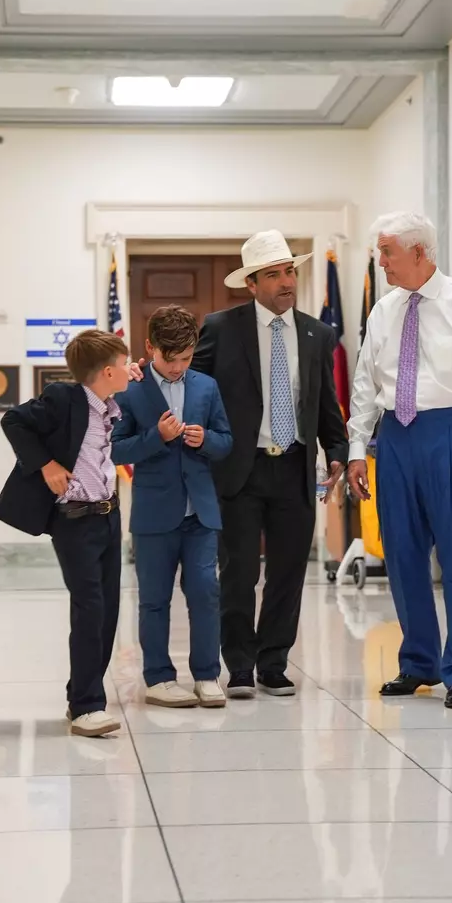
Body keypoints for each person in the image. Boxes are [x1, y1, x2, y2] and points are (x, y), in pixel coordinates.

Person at [347, 212, 452, 709]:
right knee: (401, 555)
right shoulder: (384, 311)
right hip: (396, 438)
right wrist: (358, 448)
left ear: (419, 252)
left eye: (387, 253)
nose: (382, 263)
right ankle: (418, 661)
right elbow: (364, 386)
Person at [190, 230, 349, 698]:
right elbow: (196, 389)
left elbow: (323, 403)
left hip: (295, 468)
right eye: (274, 274)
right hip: (240, 470)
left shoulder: (318, 334)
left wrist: (336, 450)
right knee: (239, 572)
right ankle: (238, 664)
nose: (285, 282)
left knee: (287, 572)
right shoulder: (222, 327)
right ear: (252, 284)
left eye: (289, 272)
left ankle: (273, 661)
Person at [0, 329, 130, 737]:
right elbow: (13, 420)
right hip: (75, 520)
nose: (129, 369)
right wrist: (46, 464)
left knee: (107, 610)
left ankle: (82, 692)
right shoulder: (63, 398)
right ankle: (87, 705)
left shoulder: (108, 403)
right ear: (107, 371)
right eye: (124, 365)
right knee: (89, 607)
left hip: (108, 517)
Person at [112, 305, 233, 708]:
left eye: (186, 358)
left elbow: (225, 440)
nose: (179, 366)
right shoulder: (128, 389)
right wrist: (155, 438)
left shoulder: (206, 386)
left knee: (205, 593)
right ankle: (159, 678)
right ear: (150, 348)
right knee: (154, 599)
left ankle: (206, 675)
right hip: (153, 514)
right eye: (170, 358)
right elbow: (112, 449)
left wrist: (207, 441)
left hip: (200, 512)